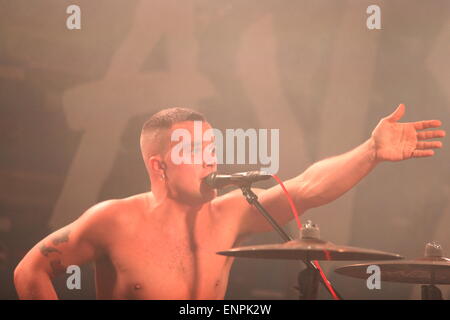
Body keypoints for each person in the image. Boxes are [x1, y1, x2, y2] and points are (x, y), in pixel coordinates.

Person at [14, 105, 445, 299]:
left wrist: (370, 151)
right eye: (196, 150)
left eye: (212, 147)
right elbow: (29, 269)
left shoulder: (231, 210)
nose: (212, 159)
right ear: (160, 166)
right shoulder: (114, 219)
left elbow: (308, 187)